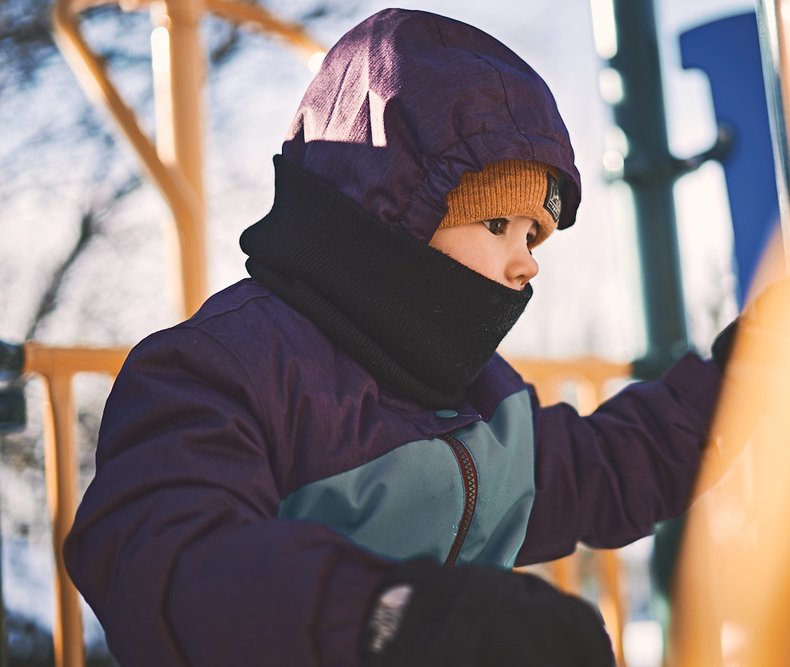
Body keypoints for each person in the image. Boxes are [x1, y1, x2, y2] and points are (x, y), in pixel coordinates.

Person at [64, 8, 728, 667]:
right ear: (389, 213)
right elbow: (164, 548)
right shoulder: (226, 365)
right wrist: (388, 617)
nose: (526, 261)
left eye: (534, 235)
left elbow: (607, 466)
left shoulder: (482, 395)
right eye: (496, 222)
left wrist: (753, 377)